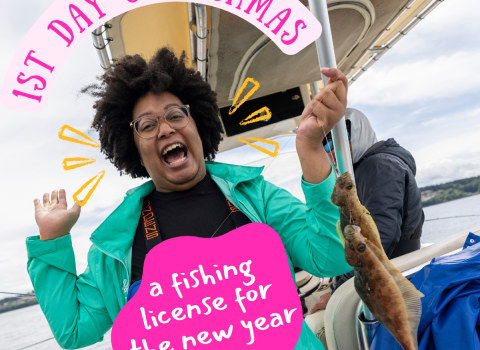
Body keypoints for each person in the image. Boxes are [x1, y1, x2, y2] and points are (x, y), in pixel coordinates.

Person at [28, 47, 352, 350]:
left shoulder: (256, 196)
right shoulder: (115, 245)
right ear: (134, 148)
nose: (165, 129)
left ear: (197, 124)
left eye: (175, 115)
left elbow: (333, 257)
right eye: (147, 125)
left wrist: (310, 148)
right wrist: (52, 241)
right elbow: (74, 331)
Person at [309, 108, 424, 313]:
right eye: (324, 143)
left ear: (358, 132)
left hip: (395, 282)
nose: (330, 150)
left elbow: (378, 240)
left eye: (335, 140)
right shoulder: (367, 167)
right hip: (390, 275)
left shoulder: (379, 166)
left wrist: (338, 290)